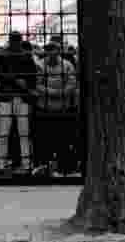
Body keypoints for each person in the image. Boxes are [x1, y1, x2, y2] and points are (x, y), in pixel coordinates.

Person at [0, 31, 38, 174]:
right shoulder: (26, 56)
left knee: (5, 133)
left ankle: (1, 164)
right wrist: (21, 82)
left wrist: (13, 79)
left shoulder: (3, 56)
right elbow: (32, 79)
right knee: (21, 133)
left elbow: (1, 76)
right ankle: (25, 164)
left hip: (8, 96)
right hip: (20, 96)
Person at [35, 40, 78, 177]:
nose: (51, 52)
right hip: (46, 108)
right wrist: (58, 92)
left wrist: (53, 92)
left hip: (61, 109)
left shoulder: (67, 65)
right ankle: (46, 167)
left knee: (63, 140)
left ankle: (63, 167)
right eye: (49, 50)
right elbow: (37, 84)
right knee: (45, 140)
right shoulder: (40, 65)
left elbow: (72, 84)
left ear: (58, 51)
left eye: (54, 49)